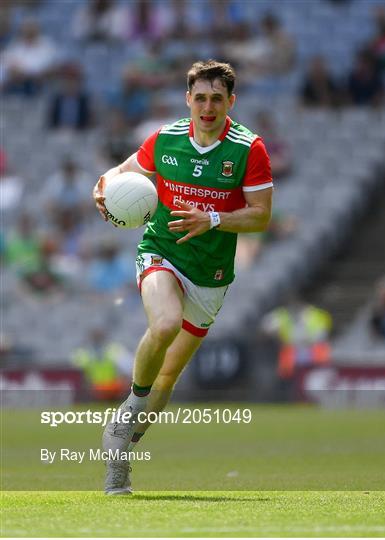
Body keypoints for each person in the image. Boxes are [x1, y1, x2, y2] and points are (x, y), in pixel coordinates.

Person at [93, 60, 273, 494]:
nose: (207, 107)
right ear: (187, 99)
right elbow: (121, 174)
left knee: (169, 376)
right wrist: (102, 187)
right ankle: (129, 411)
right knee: (165, 323)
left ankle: (123, 447)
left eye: (216, 99)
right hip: (161, 250)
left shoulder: (249, 149)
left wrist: (211, 219)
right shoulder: (166, 137)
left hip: (210, 274)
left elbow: (261, 216)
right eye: (200, 98)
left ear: (231, 101)